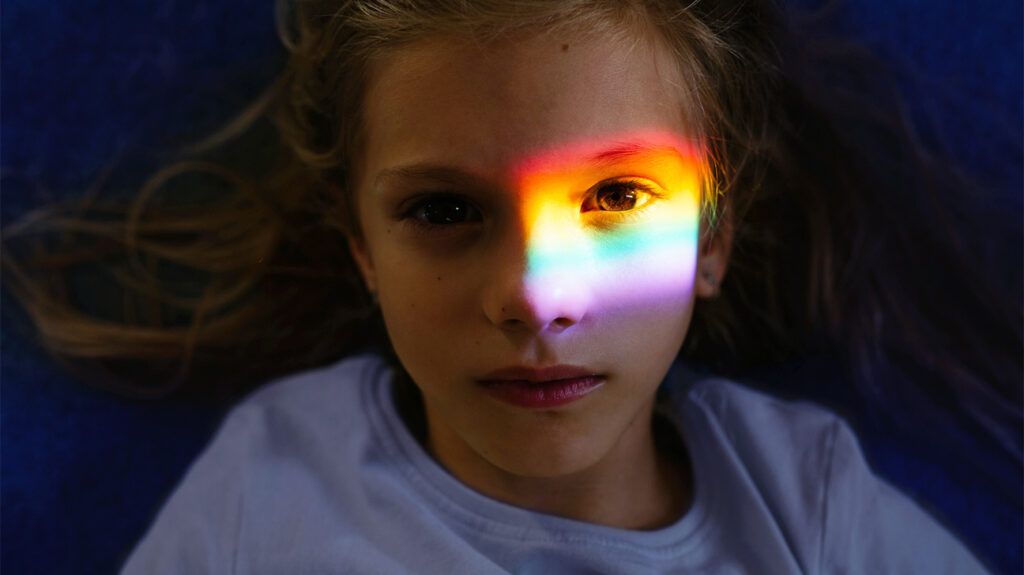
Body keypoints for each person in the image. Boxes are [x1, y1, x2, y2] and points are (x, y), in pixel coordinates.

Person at [2, 0, 1016, 573]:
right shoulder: (274, 481)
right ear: (360, 243)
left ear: (713, 235)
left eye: (616, 197)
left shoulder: (808, 503)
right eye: (444, 211)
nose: (535, 296)